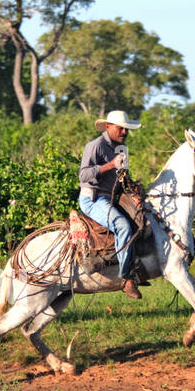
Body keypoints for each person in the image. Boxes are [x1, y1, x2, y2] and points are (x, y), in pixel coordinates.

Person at [79, 109, 142, 298]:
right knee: (122, 226)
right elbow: (83, 175)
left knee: (141, 221)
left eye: (126, 129)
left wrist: (134, 191)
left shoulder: (122, 150)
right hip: (93, 199)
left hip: (112, 198)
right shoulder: (95, 146)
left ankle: (134, 265)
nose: (124, 132)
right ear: (108, 127)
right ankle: (126, 277)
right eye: (120, 129)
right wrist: (110, 165)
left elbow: (123, 177)